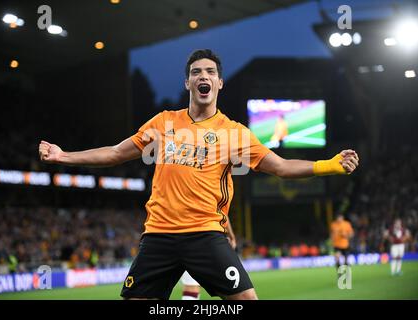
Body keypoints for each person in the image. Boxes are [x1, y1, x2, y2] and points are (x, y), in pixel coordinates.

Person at [38, 49, 359, 300]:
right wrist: (64, 155)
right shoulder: (163, 122)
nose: (202, 76)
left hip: (205, 235)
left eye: (209, 72)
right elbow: (116, 152)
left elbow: (281, 167)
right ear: (188, 83)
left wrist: (328, 164)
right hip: (158, 236)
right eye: (195, 72)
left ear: (219, 83)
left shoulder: (235, 133)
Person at [181, 216, 237, 300]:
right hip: (196, 236)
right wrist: (231, 235)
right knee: (192, 287)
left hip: (164, 235)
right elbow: (222, 212)